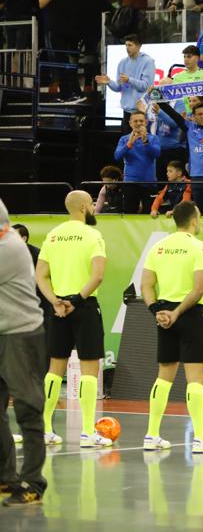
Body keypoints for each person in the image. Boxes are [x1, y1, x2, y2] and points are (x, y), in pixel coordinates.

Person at [138, 200, 203, 454]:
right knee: (195, 378)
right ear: (194, 220)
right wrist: (177, 312)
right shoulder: (199, 247)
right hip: (189, 313)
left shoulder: (159, 247)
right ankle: (200, 438)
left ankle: (152, 435)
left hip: (164, 313)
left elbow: (145, 285)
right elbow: (200, 287)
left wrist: (158, 311)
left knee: (164, 376)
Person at [35, 190, 111, 448]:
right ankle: (88, 432)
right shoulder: (93, 235)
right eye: (91, 204)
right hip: (84, 306)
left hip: (58, 310)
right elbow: (98, 275)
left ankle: (45, 429)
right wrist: (76, 300)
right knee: (90, 368)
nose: (93, 208)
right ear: (83, 207)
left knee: (55, 369)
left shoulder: (53, 235)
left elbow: (40, 275)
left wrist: (55, 301)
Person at [0, 198, 47, 507]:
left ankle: (33, 482)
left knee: (27, 408)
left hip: (20, 334)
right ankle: (6, 476)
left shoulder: (8, 247)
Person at [157, 98, 203, 214]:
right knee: (198, 213)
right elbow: (172, 114)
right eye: (199, 114)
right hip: (197, 177)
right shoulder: (189, 127)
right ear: (193, 116)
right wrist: (157, 98)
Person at [114, 110, 162, 214]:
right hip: (131, 183)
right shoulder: (124, 139)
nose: (138, 123)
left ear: (146, 122)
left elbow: (156, 154)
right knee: (129, 214)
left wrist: (145, 141)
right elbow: (117, 156)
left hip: (149, 183)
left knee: (150, 215)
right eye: (135, 121)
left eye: (141, 121)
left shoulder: (154, 138)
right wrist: (129, 143)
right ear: (130, 123)